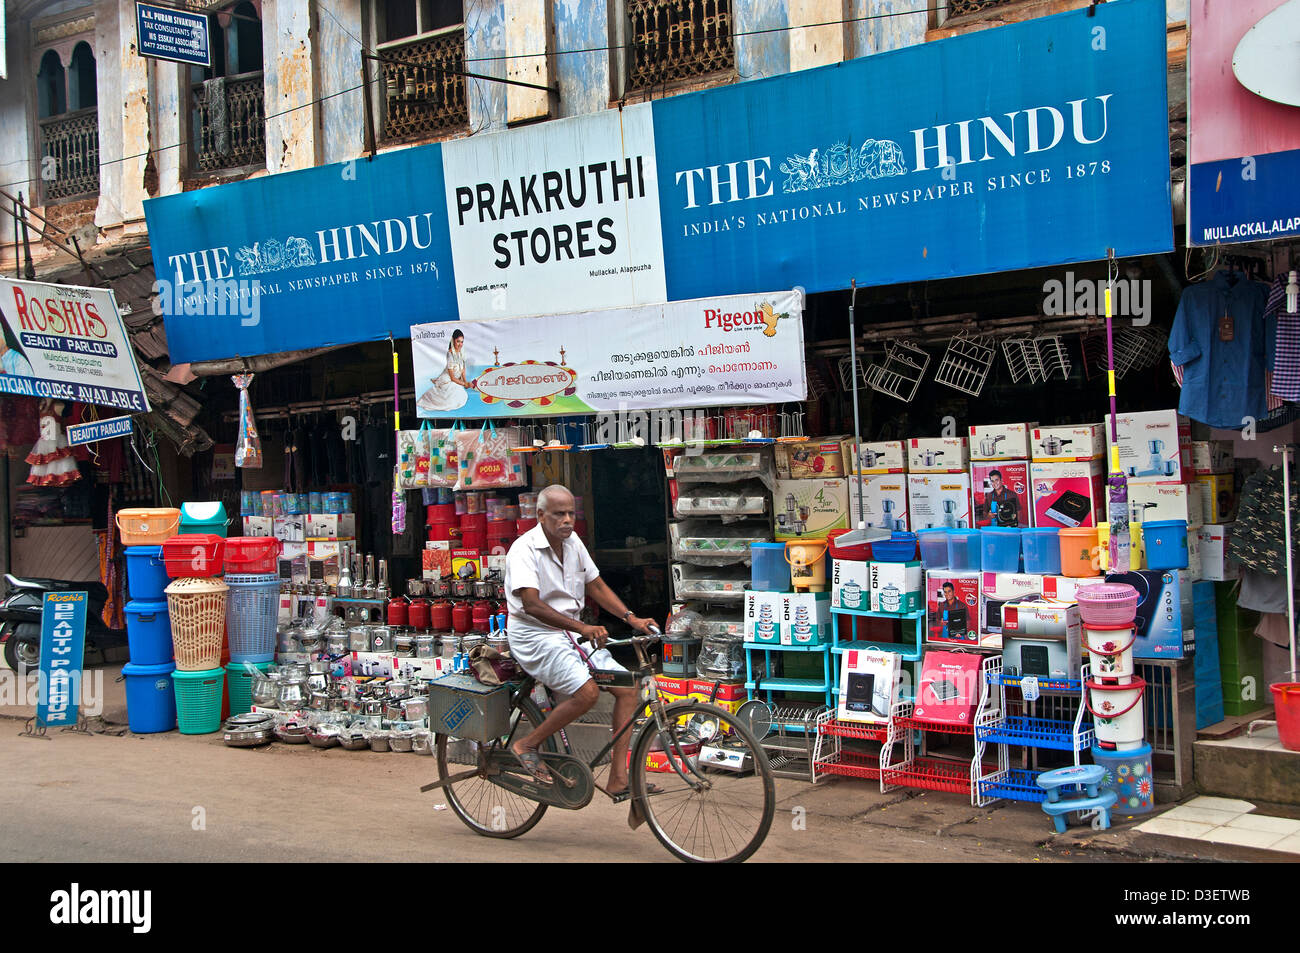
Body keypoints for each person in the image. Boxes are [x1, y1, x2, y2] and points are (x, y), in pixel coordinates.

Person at [504, 484, 659, 798]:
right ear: (541, 515)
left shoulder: (573, 542)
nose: (567, 521)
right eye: (559, 514)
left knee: (628, 688)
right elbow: (531, 605)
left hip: (570, 632)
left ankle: (618, 778)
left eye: (571, 513)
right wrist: (582, 627)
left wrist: (632, 618)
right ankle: (527, 744)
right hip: (534, 634)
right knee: (587, 693)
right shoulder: (524, 550)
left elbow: (596, 585)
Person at [417, 329, 473, 413]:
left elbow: (463, 370)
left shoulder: (462, 353)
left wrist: (465, 382)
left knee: (461, 394)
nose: (460, 344)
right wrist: (464, 384)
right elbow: (452, 378)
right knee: (456, 394)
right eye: (458, 341)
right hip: (447, 380)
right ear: (453, 340)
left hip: (456, 379)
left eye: (462, 342)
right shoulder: (450, 354)